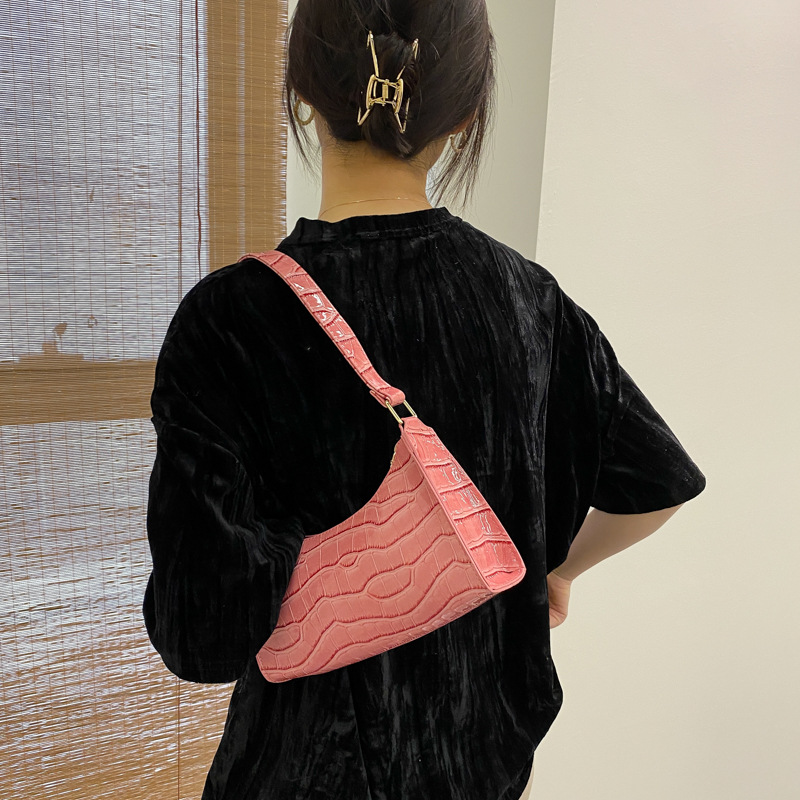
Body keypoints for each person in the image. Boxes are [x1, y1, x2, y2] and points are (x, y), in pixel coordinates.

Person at [142, 1, 706, 798]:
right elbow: (659, 484)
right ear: (466, 113)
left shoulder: (227, 318)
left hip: (296, 770)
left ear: (301, 94)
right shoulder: (529, 301)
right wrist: (555, 569)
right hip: (479, 768)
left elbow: (200, 638)